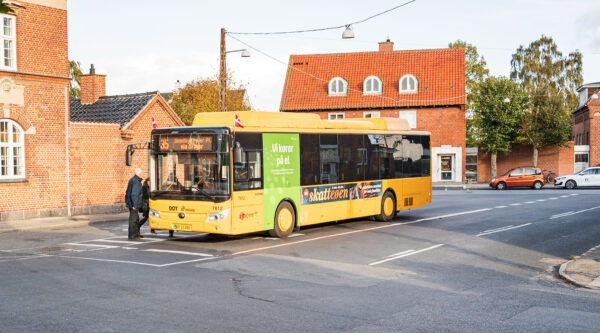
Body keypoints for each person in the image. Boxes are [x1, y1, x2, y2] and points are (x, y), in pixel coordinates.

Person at [125, 168, 144, 240]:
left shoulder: (132, 180)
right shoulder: (136, 181)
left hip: (131, 203)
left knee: (134, 219)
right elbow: (134, 194)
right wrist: (134, 205)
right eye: (142, 173)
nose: (142, 175)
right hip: (134, 205)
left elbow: (128, 192)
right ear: (139, 174)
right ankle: (133, 235)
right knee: (134, 220)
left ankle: (135, 234)